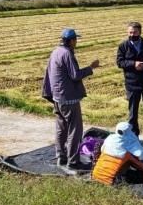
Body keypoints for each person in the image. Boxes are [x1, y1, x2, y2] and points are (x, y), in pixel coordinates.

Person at [42, 28, 100, 174]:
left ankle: (61, 157)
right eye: (76, 39)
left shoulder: (56, 51)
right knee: (75, 130)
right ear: (72, 40)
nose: (76, 42)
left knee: (61, 128)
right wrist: (91, 67)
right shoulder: (67, 54)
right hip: (69, 99)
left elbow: (48, 73)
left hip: (57, 97)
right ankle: (73, 162)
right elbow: (75, 75)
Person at [116, 21, 143, 142]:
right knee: (133, 112)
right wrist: (133, 64)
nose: (132, 34)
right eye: (130, 32)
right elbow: (120, 62)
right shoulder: (123, 46)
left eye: (135, 32)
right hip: (132, 84)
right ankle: (134, 136)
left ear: (140, 32)